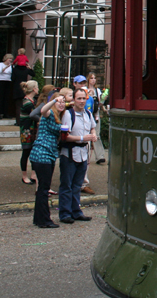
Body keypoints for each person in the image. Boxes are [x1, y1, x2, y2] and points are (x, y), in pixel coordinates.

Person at [58, 87, 98, 224]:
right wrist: (82, 138)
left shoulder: (88, 113)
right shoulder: (68, 114)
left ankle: (76, 211)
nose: (81, 101)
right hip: (69, 154)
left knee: (77, 185)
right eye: (79, 98)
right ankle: (65, 213)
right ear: (74, 100)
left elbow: (92, 127)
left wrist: (93, 134)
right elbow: (65, 136)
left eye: (83, 98)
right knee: (67, 185)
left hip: (83, 154)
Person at [29, 92, 68, 228]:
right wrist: (54, 101)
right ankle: (44, 220)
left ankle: (38, 218)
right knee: (44, 189)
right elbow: (43, 110)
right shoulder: (49, 113)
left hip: (49, 155)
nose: (61, 104)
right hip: (42, 154)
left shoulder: (59, 117)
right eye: (59, 101)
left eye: (63, 102)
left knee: (42, 188)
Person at [19, 80, 39, 185]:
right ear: (34, 89)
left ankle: (33, 174)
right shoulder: (27, 103)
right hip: (27, 131)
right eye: (37, 87)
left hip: (32, 130)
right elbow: (34, 114)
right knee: (26, 152)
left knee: (33, 151)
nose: (38, 89)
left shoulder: (32, 101)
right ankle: (24, 176)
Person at [86, 73, 106, 165]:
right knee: (86, 135)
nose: (93, 80)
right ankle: (85, 157)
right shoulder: (84, 89)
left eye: (94, 78)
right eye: (91, 78)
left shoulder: (97, 90)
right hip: (86, 114)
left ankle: (100, 156)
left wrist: (103, 101)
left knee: (97, 135)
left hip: (95, 115)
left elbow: (99, 103)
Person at [0, 54, 13, 119]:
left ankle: (5, 113)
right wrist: (6, 67)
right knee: (0, 97)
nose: (10, 60)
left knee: (7, 98)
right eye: (9, 59)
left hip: (8, 81)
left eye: (11, 59)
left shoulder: (11, 66)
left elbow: (11, 73)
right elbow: (0, 71)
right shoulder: (0, 64)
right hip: (1, 81)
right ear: (6, 59)